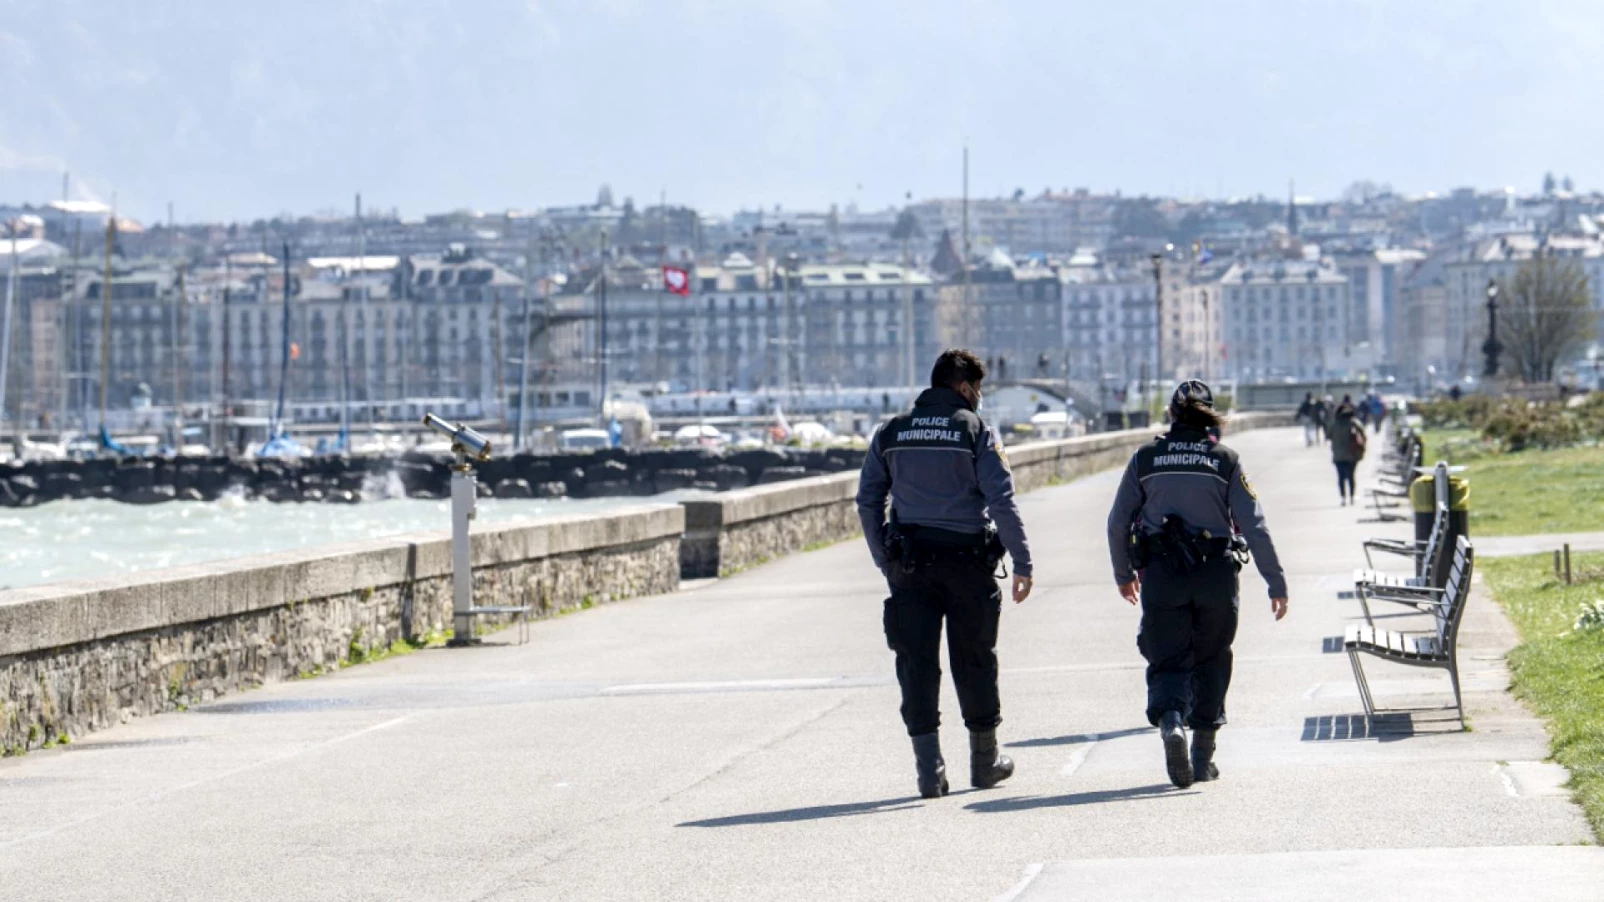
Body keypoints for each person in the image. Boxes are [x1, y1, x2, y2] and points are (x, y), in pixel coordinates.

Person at [856, 349, 1033, 799]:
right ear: (964, 387)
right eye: (978, 388)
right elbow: (1002, 501)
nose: (980, 396)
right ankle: (985, 763)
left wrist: (883, 559)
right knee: (975, 661)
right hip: (967, 563)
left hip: (910, 565)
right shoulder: (976, 431)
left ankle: (929, 772)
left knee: (915, 664)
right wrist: (1023, 562)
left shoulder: (891, 431)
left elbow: (868, 500)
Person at [1105, 380, 1288, 788]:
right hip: (1215, 576)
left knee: (1168, 659)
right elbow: (1254, 526)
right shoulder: (1225, 460)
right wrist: (1276, 583)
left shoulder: (1146, 458)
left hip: (1163, 574)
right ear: (1210, 416)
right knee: (1213, 659)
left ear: (1171, 414)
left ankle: (1172, 722)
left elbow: (1117, 523)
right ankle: (1202, 759)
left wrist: (1124, 574)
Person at [1328, 396, 1364, 505]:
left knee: (1341, 477)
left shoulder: (1334, 424)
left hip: (1338, 455)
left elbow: (1328, 435)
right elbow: (1363, 435)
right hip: (1352, 454)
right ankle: (1352, 496)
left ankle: (1343, 498)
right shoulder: (1354, 422)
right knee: (1351, 476)